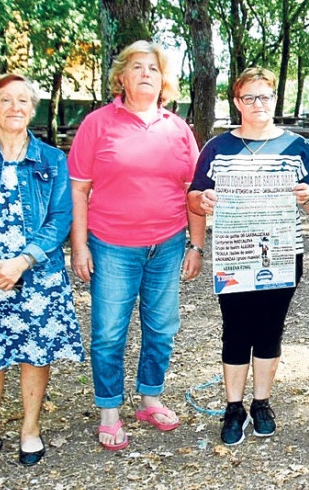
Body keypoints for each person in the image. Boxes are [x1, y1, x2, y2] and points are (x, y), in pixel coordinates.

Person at [68, 41, 205, 451]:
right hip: (111, 245)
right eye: (137, 67)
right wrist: (80, 246)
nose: (146, 73)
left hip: (166, 244)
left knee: (162, 328)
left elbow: (194, 193)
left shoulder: (178, 129)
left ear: (164, 81)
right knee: (109, 332)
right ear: (122, 78)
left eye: (154, 68)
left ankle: (150, 397)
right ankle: (109, 411)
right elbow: (78, 190)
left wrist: (195, 246)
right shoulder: (97, 123)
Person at [187, 67, 309, 445]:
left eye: (264, 96)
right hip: (235, 253)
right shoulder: (217, 148)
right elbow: (193, 198)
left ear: (274, 100)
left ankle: (261, 402)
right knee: (235, 329)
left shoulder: (297, 147)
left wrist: (306, 197)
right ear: (237, 102)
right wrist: (204, 199)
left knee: (270, 327)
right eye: (249, 97)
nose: (257, 104)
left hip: (283, 252)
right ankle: (234, 406)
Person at [0, 73, 84, 469]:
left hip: (37, 273)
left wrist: (21, 261)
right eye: (5, 100)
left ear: (32, 109)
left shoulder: (52, 159)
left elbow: (60, 218)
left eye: (23, 101)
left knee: (35, 351)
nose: (15, 107)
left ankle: (30, 431)